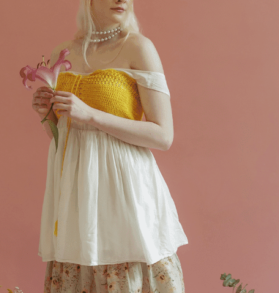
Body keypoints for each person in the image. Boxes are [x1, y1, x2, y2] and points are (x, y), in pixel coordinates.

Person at [31, 0, 188, 292]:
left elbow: (163, 136)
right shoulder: (64, 52)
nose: (122, 0)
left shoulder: (138, 48)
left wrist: (90, 114)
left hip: (124, 189)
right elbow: (65, 139)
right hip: (77, 192)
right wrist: (47, 116)